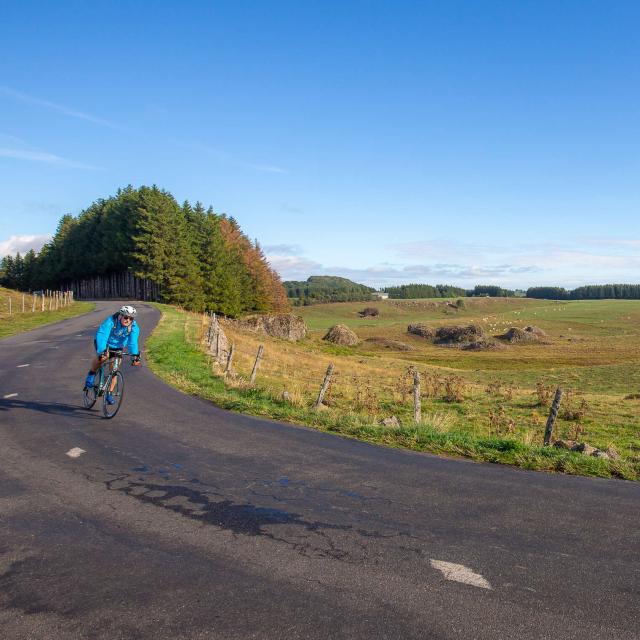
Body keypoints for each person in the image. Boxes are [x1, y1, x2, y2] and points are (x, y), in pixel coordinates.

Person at [84, 305, 141, 404]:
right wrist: (102, 349)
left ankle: (109, 393)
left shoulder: (134, 327)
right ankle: (91, 374)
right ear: (121, 315)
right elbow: (102, 334)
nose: (128, 320)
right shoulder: (111, 321)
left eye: (131, 318)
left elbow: (133, 342)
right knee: (103, 358)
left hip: (118, 347)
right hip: (104, 344)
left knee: (115, 369)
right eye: (126, 317)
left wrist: (135, 356)